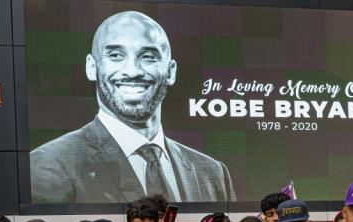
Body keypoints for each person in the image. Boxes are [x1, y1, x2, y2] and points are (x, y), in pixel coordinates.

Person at [30, 11, 235, 203]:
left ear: (171, 71)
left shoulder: (212, 173)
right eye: (116, 56)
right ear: (92, 67)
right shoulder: (49, 164)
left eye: (148, 56)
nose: (133, 71)